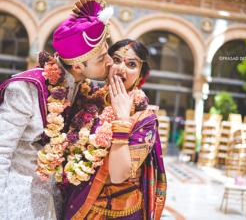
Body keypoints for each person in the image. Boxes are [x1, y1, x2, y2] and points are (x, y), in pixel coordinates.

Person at [0, 0, 116, 220]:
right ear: (78, 66)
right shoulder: (27, 89)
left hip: (56, 202)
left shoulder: (84, 91)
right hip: (16, 201)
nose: (110, 62)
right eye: (102, 58)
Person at [62, 39, 167, 220]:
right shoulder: (86, 101)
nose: (121, 68)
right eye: (117, 60)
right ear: (107, 64)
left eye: (131, 64)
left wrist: (122, 120)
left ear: (141, 75)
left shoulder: (144, 119)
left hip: (119, 212)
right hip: (78, 205)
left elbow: (118, 175)